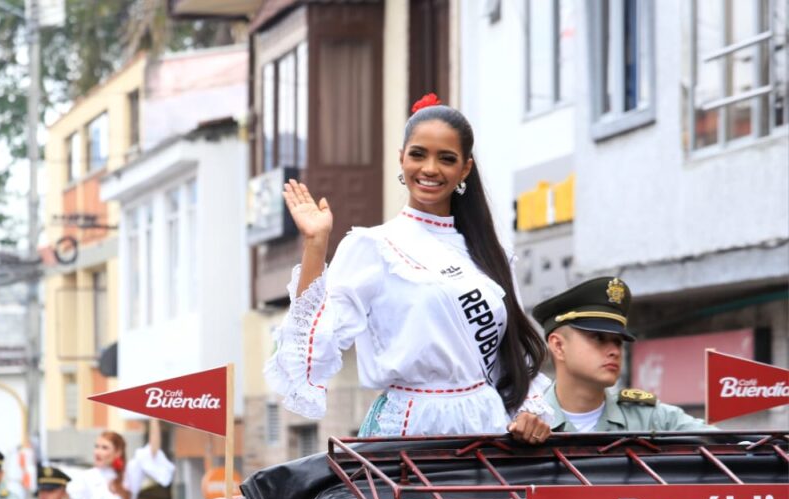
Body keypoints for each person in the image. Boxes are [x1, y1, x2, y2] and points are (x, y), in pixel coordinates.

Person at [265, 93, 551, 443]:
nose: (430, 169)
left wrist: (530, 410)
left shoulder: (490, 253)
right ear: (401, 158)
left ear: (465, 168)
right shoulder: (374, 247)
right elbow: (314, 348)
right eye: (418, 154)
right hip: (410, 428)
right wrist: (315, 244)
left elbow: (512, 353)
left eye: (446, 158)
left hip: (486, 425)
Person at [531, 277, 716, 432]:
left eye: (618, 341)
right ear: (558, 346)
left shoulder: (649, 419)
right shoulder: (525, 420)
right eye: (598, 338)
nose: (614, 351)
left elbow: (733, 447)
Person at [68, 418, 174, 499]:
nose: (98, 452)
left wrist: (154, 419)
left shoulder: (128, 474)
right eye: (97, 447)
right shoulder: (85, 478)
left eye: (104, 448)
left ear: (117, 452)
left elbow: (152, 451)